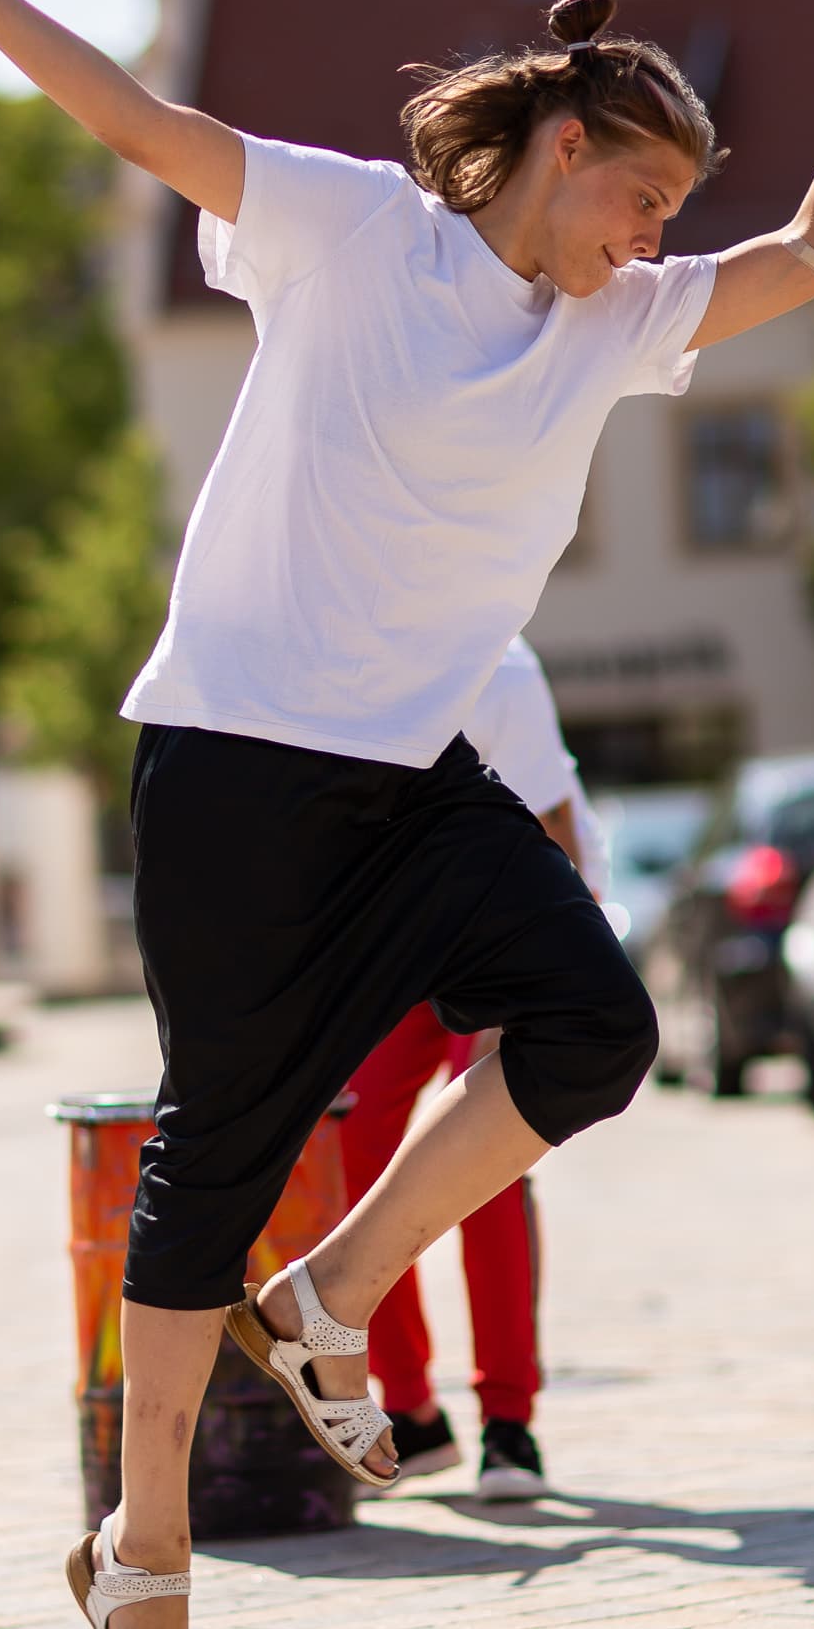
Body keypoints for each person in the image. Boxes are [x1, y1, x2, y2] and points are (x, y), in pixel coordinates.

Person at [0, 0, 814, 1629]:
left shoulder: (616, 326)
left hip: (414, 775)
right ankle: (148, 1547)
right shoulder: (354, 234)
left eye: (670, 227)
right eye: (640, 203)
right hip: (232, 762)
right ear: (560, 146)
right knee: (214, 1151)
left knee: (597, 1026)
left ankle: (335, 1295)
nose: (656, 245)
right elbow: (138, 125)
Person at [342, 635, 609, 1501]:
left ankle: (509, 1422)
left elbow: (555, 827)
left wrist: (525, 1002)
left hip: (512, 920)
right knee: (354, 1135)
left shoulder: (500, 662)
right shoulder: (344, 658)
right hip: (402, 936)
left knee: (484, 1160)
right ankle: (410, 1411)